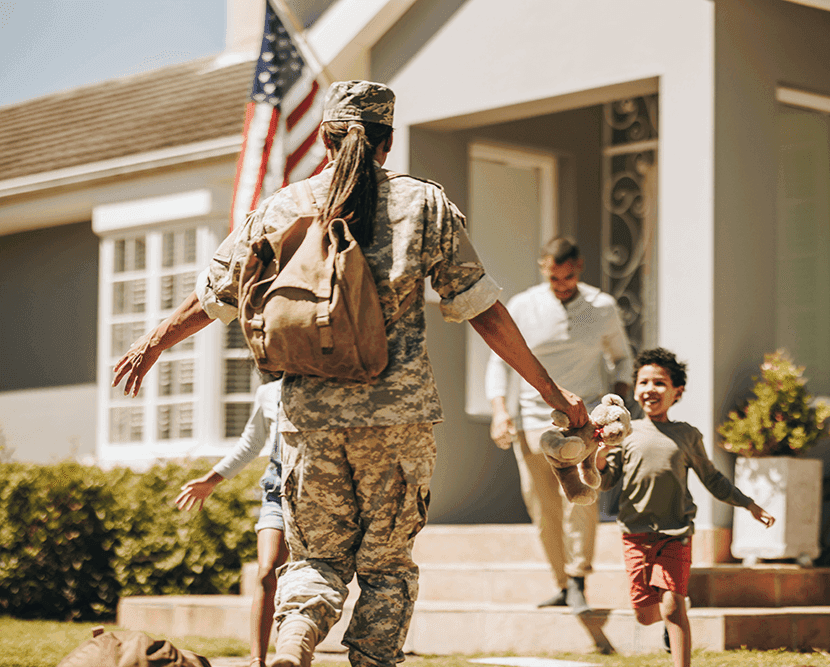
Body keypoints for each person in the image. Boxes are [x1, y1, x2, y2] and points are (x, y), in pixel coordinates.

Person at [112, 80, 587, 667]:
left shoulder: (282, 205)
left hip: (308, 422)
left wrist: (152, 341)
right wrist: (552, 391)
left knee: (314, 558)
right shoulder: (423, 205)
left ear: (323, 137)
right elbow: (481, 310)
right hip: (398, 421)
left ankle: (293, 645)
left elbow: (215, 297)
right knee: (386, 567)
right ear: (388, 141)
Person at [596, 348, 775, 667]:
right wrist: (597, 459)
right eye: (644, 382)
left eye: (660, 383)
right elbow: (607, 481)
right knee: (646, 614)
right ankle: (669, 615)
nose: (650, 389)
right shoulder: (624, 434)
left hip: (676, 532)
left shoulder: (687, 435)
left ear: (677, 392)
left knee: (672, 606)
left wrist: (748, 504)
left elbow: (713, 478)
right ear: (635, 389)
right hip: (635, 536)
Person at [484, 237, 633, 614]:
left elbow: (622, 359)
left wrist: (615, 403)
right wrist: (501, 411)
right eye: (554, 278)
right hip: (533, 420)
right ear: (543, 269)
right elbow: (499, 362)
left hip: (583, 421)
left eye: (567, 277)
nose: (561, 284)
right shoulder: (523, 305)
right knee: (543, 506)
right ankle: (562, 584)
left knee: (581, 497)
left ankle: (579, 577)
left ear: (579, 268)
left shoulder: (601, 307)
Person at [174, 379, 285, 667]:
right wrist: (210, 481)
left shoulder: (329, 381)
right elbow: (251, 443)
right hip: (278, 494)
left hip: (321, 497)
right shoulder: (269, 391)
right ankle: (256, 661)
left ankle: (293, 656)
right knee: (266, 571)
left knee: (302, 581)